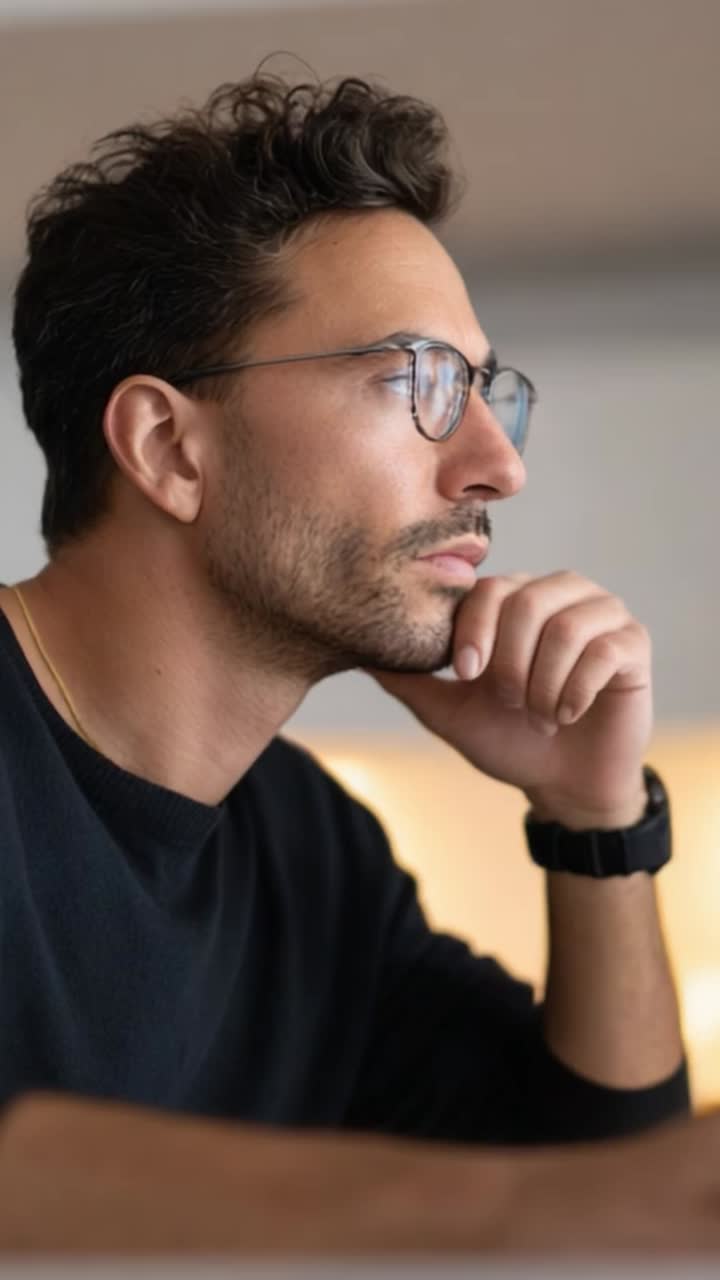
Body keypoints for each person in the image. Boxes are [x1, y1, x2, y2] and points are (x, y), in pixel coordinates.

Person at [0, 70, 715, 1255]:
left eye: (483, 390)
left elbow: (601, 1205)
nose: (497, 467)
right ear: (169, 447)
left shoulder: (311, 847)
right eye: (415, 380)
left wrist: (593, 820)